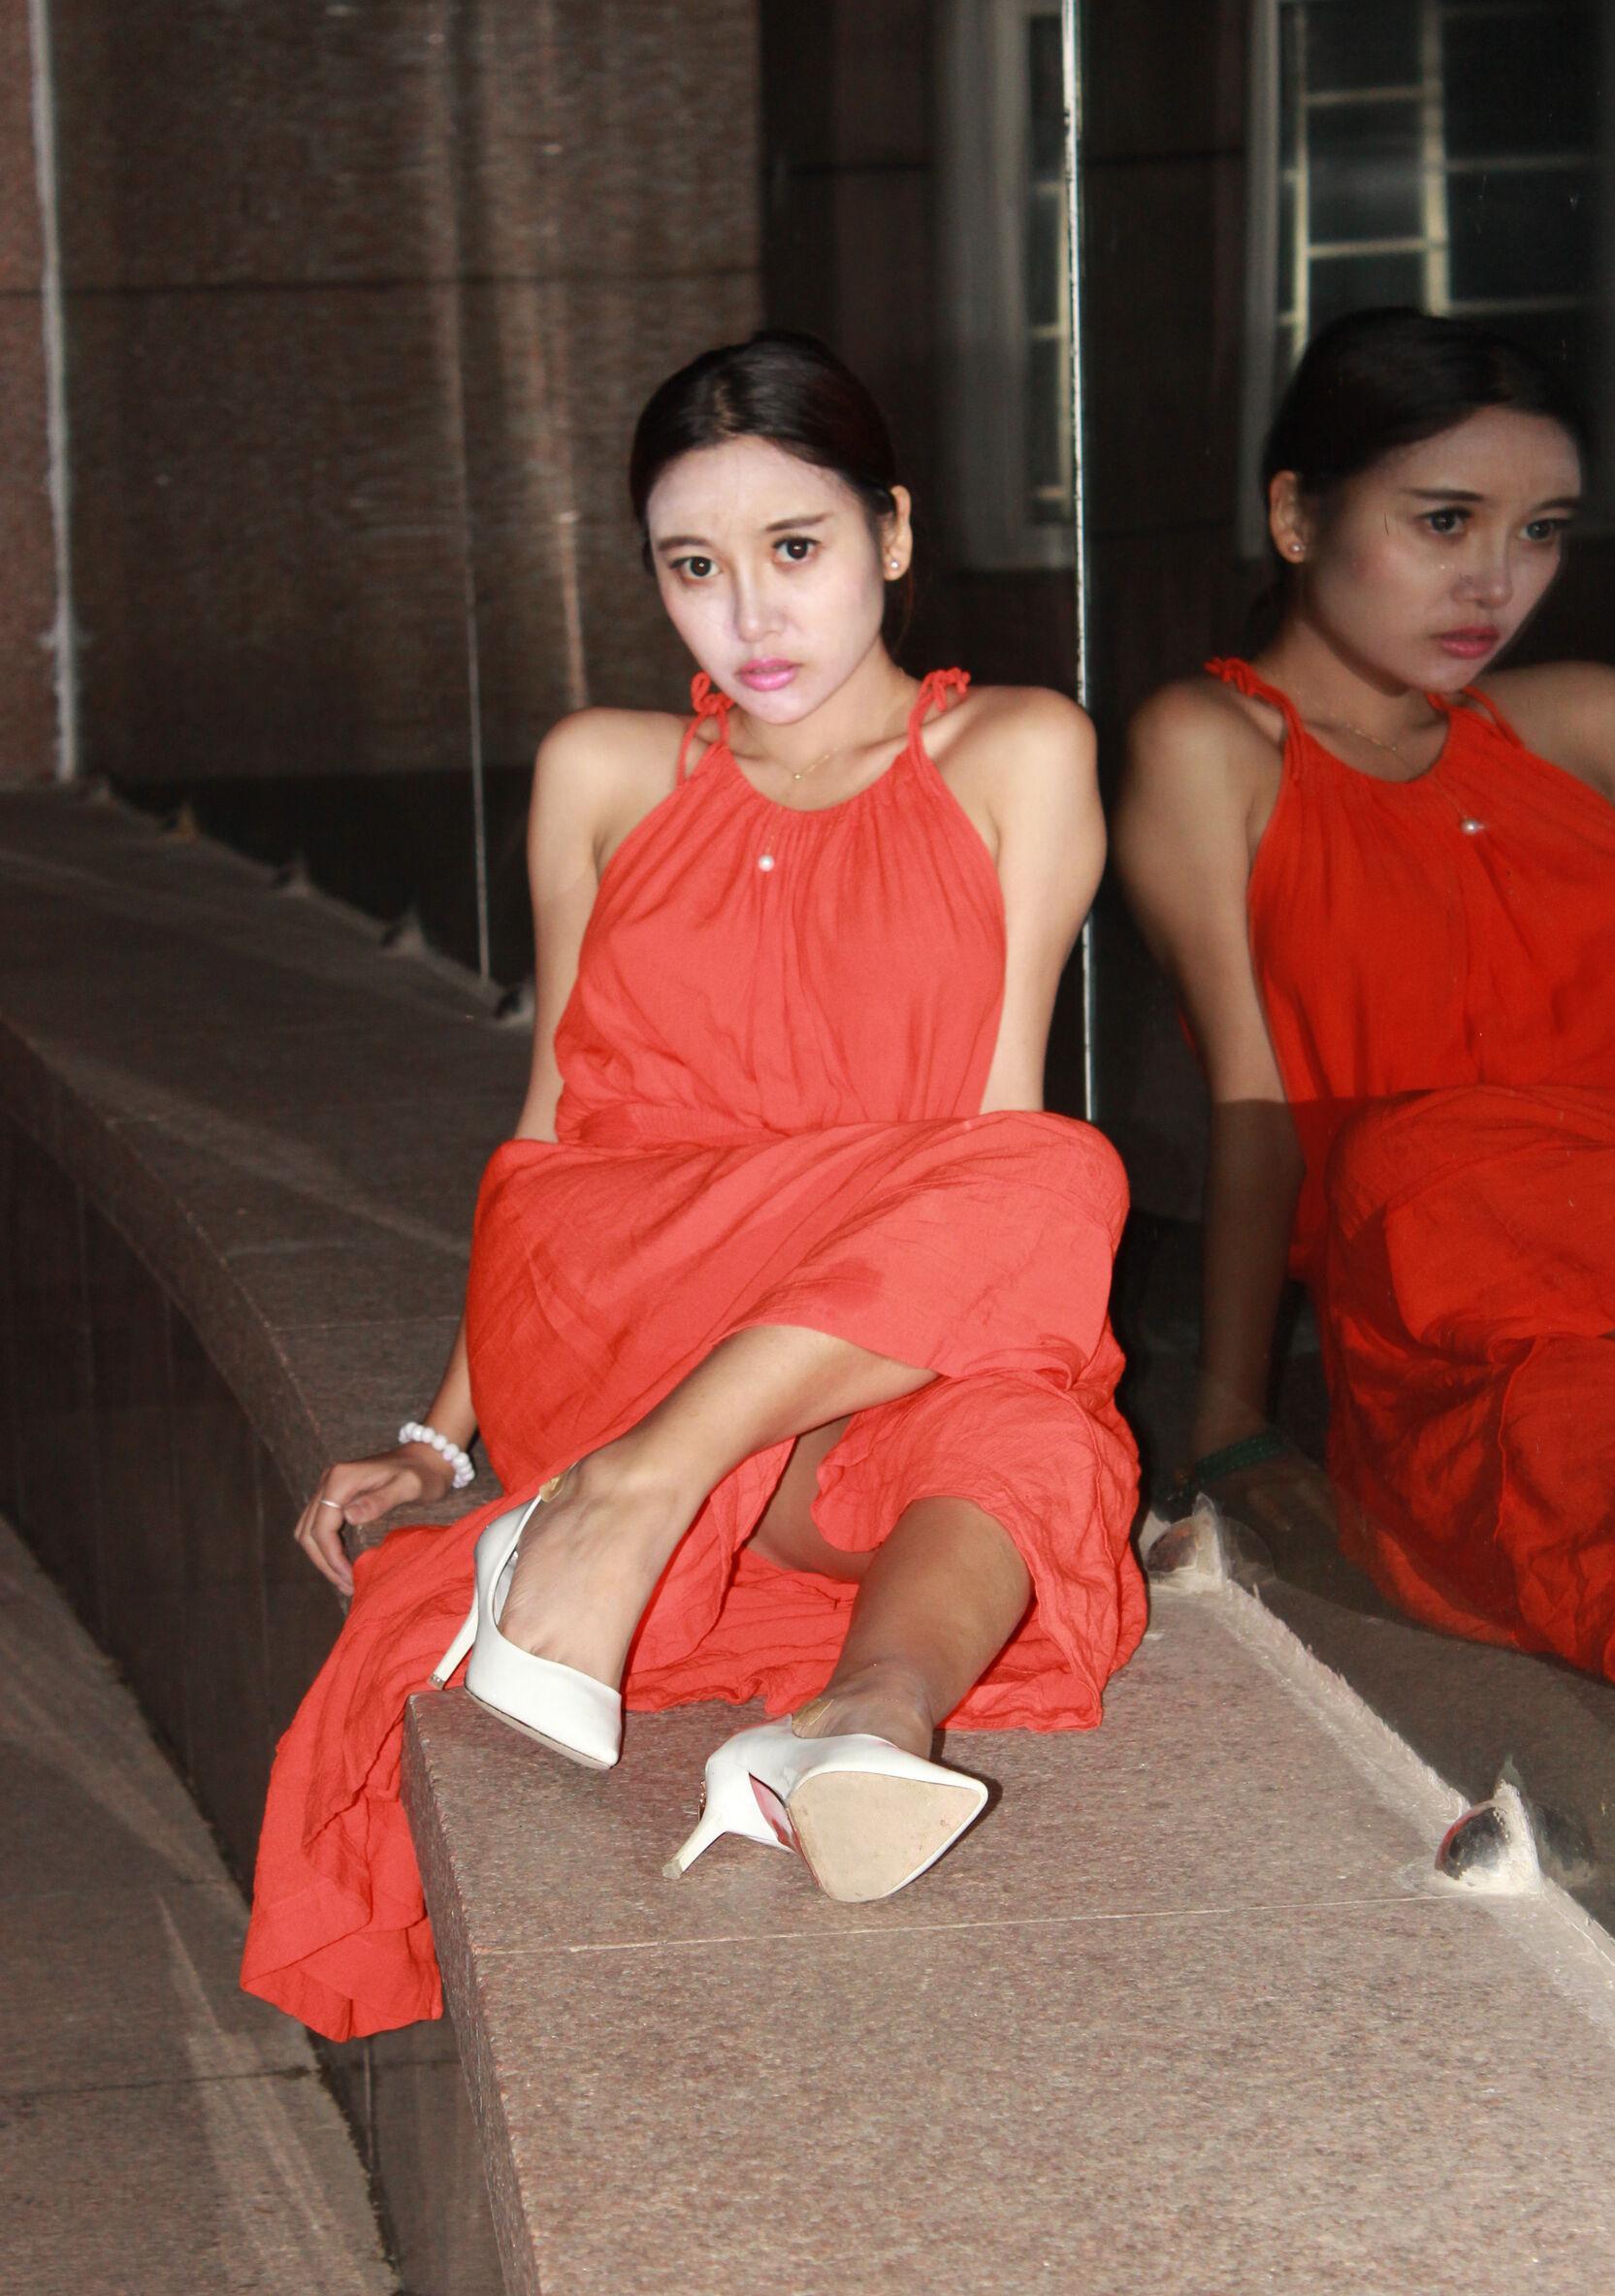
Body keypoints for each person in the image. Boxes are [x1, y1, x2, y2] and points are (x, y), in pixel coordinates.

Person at [242, 330, 1147, 2041]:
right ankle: (620, 1490)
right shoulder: (606, 770)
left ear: (891, 533)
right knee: (1056, 1181)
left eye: (794, 550)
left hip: (852, 1314)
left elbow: (986, 1127)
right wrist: (442, 1435)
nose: (750, 617)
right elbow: (547, 1129)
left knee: (1025, 1403)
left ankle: (858, 1727)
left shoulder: (1017, 752)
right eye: (694, 567)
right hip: (621, 1280)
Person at [1116, 306, 1615, 1687]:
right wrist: (1229, 1421)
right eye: (1446, 521)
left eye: (1541, 531)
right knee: (1535, 1393)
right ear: (1296, 515)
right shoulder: (1211, 745)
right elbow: (1257, 1107)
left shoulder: (1591, 723)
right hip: (1441, 1305)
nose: (1497, 583)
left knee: (1428, 1165)